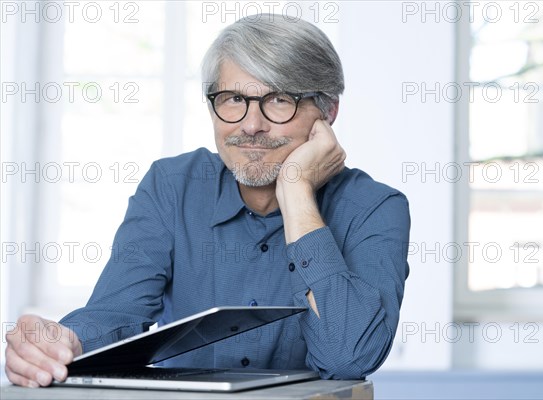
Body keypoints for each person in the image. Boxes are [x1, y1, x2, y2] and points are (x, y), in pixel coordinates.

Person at [4, 14, 410, 388]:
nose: (252, 125)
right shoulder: (171, 187)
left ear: (328, 111)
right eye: (233, 99)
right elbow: (115, 314)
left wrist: (297, 190)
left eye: (280, 100)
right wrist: (64, 342)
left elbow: (349, 356)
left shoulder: (375, 208)